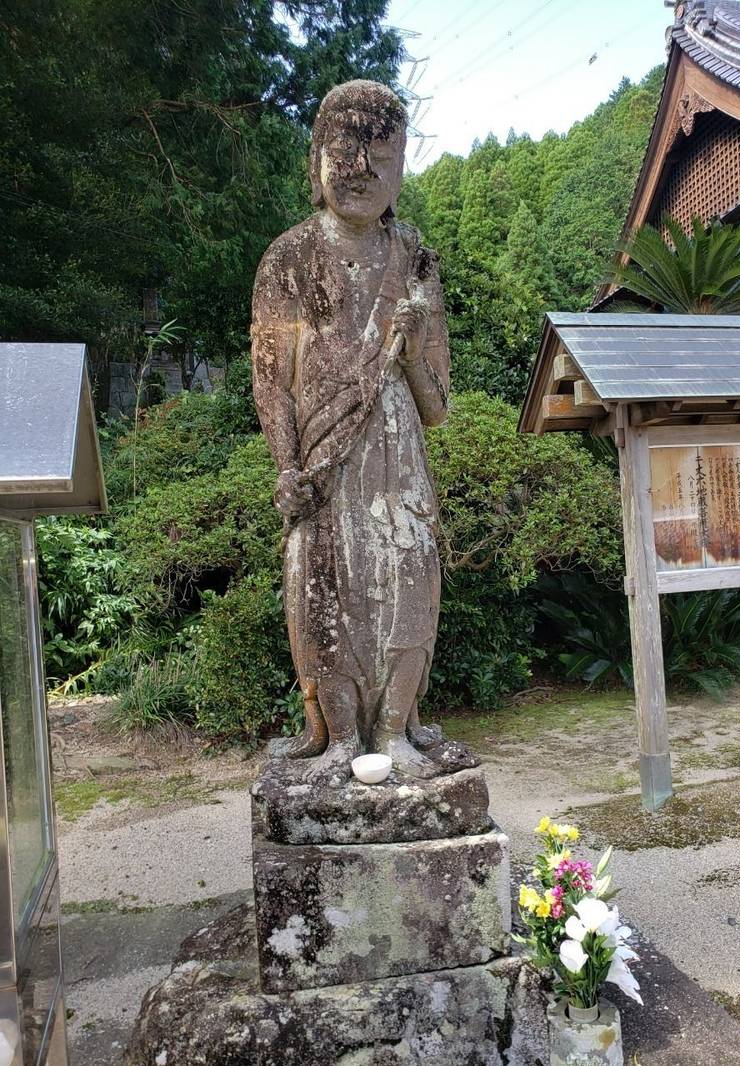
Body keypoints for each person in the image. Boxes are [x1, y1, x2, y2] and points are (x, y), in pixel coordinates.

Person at [251, 80, 450, 784]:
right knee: (322, 583)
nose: (362, 169)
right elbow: (271, 381)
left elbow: (437, 404)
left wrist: (417, 333)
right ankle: (336, 736)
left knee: (409, 576)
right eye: (346, 152)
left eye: (381, 154)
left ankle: (397, 731)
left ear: (401, 166)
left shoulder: (416, 258)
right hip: (323, 461)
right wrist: (286, 467)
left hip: (397, 452)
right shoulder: (289, 259)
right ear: (317, 163)